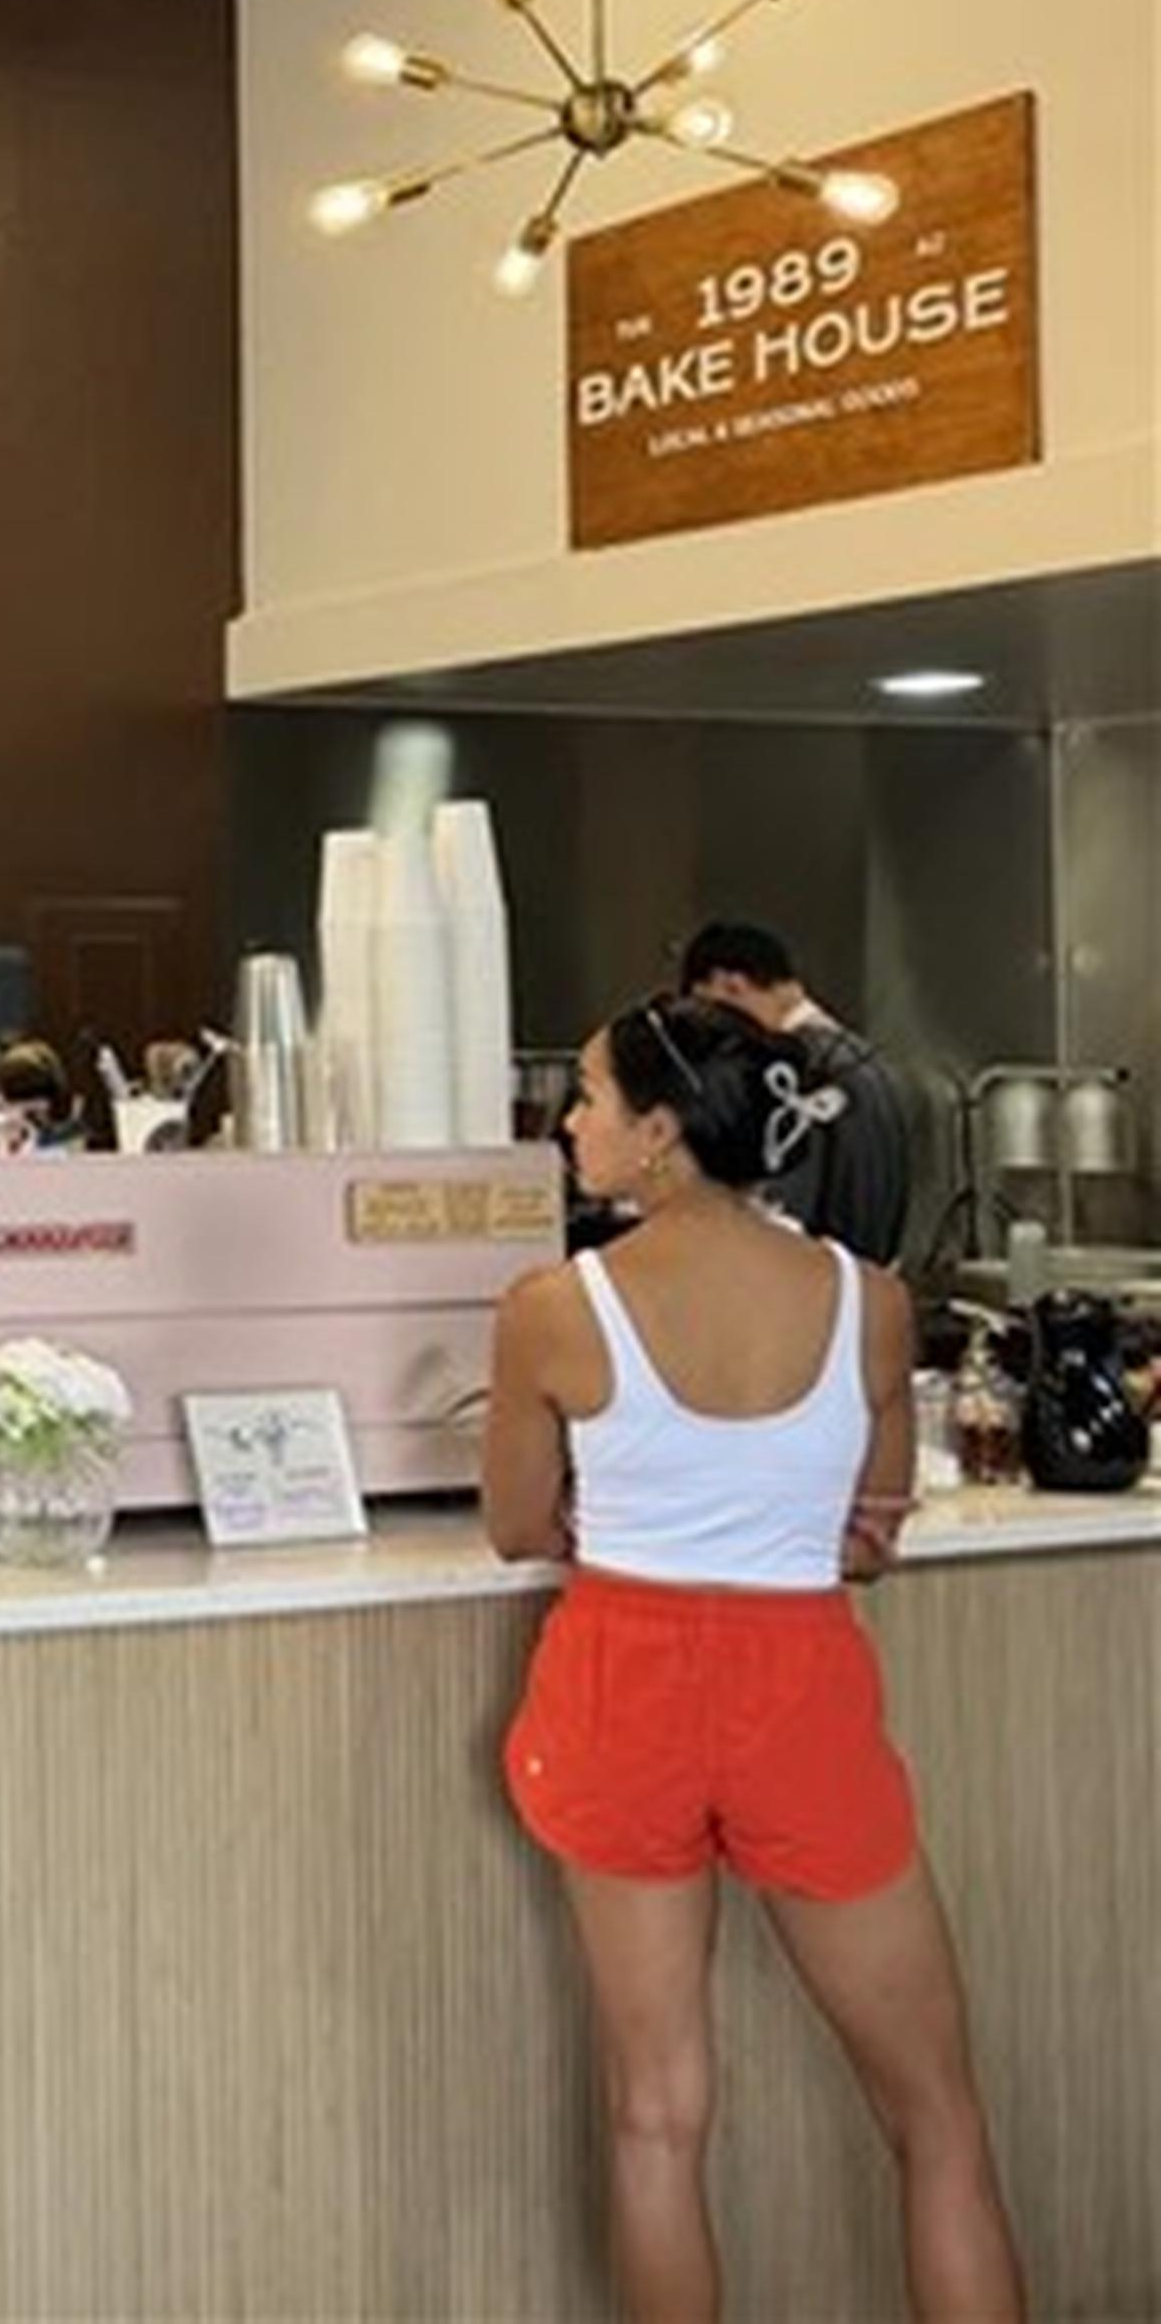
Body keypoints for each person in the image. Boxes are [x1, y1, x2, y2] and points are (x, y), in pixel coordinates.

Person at [484, 993, 1022, 2323]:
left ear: (661, 1133)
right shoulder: (873, 1304)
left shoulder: (556, 1307)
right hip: (800, 1692)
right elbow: (868, 1539)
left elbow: (513, 1527)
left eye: (594, 1099)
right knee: (937, 2116)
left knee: (657, 2120)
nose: (572, 1122)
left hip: (623, 1686)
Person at [683, 920, 915, 1267]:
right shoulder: (866, 1061)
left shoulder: (791, 1071)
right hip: (867, 1285)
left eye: (710, 1011)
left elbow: (782, 1219)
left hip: (814, 1291)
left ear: (731, 985)